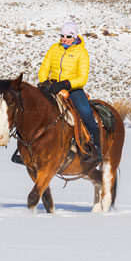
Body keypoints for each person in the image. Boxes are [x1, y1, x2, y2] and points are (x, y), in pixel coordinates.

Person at [37, 21, 100, 162]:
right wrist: (44, 82)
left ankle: (96, 145)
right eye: (62, 35)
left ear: (74, 37)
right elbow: (44, 67)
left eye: (68, 36)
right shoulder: (54, 48)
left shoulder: (81, 52)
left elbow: (82, 78)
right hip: (52, 86)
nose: (64, 39)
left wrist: (66, 84)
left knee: (84, 111)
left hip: (73, 88)